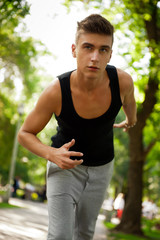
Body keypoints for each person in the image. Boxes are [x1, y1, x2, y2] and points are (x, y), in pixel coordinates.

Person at [18, 14, 137, 240]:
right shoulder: (56, 91)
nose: (95, 57)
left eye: (103, 50)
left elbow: (130, 102)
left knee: (84, 233)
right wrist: (51, 154)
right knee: (61, 235)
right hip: (64, 168)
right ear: (74, 50)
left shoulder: (122, 81)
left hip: (102, 167)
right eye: (88, 47)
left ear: (110, 54)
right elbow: (25, 133)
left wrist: (131, 121)